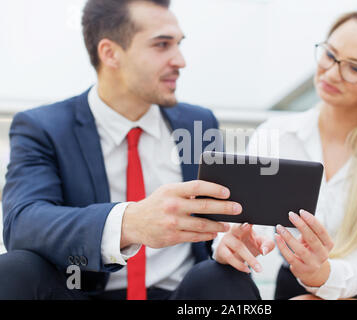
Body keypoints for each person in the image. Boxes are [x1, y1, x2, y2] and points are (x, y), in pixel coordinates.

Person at [176, 6, 357, 300]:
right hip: (299, 285)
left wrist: (322, 275)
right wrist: (229, 245)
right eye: (329, 54)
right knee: (212, 278)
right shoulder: (276, 135)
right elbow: (240, 225)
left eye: (355, 68)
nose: (332, 72)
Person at [0, 0, 244, 300]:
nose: (180, 61)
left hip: (181, 297)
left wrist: (227, 240)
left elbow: (218, 219)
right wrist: (130, 223)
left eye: (178, 44)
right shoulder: (43, 127)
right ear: (110, 53)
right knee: (15, 269)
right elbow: (22, 224)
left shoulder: (199, 123)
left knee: (225, 278)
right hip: (84, 292)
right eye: (162, 45)